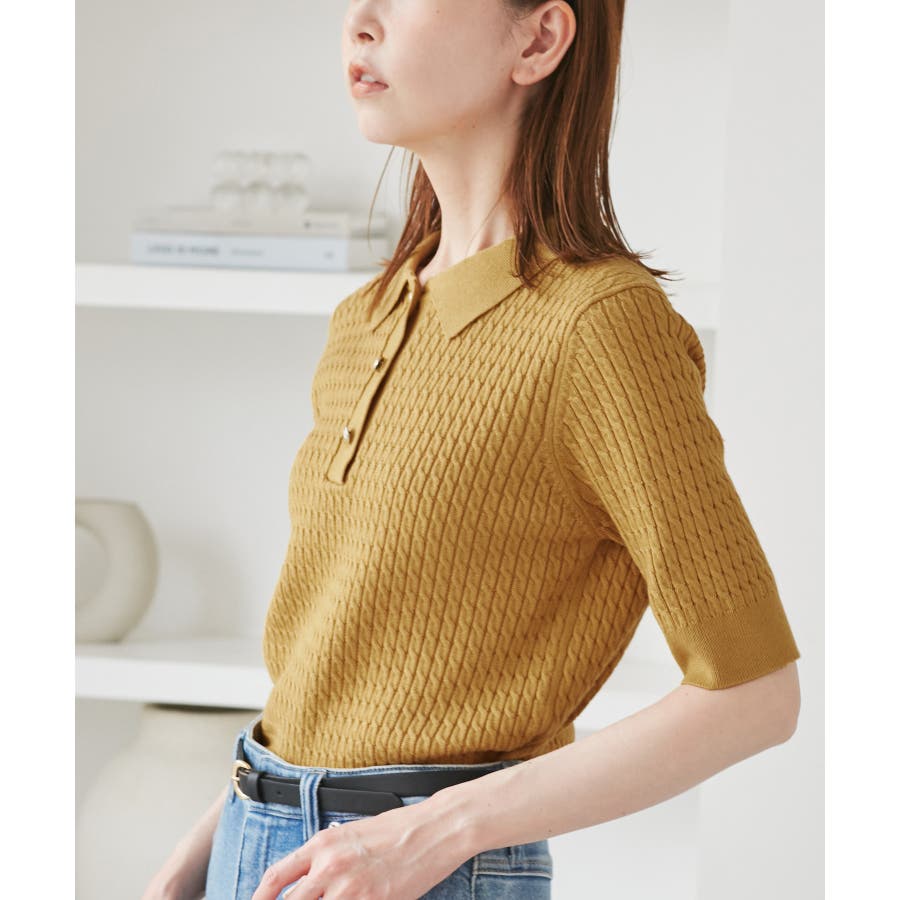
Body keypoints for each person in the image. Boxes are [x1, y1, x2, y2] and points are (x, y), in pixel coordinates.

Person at [142, 1, 802, 898]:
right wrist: (223, 828)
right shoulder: (367, 316)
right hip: (259, 842)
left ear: (539, 38)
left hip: (421, 867)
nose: (360, 20)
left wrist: (439, 830)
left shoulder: (600, 327)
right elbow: (341, 654)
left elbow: (755, 696)